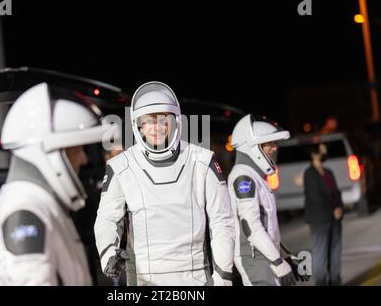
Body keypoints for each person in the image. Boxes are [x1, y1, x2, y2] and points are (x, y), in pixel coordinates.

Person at [94, 81, 235, 286]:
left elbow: (222, 221)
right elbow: (107, 219)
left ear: (175, 121)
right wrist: (108, 253)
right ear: (138, 124)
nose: (157, 127)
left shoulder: (202, 160)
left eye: (163, 119)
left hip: (194, 277)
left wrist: (224, 276)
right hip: (145, 279)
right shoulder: (121, 166)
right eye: (149, 120)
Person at [0, 83, 114, 285]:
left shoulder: (40, 203)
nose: (84, 159)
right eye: (77, 149)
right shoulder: (24, 209)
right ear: (51, 154)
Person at [229, 114, 309, 286]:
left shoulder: (255, 176)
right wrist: (278, 262)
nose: (274, 148)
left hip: (266, 256)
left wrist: (286, 256)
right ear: (252, 147)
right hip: (255, 258)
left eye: (275, 143)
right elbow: (251, 227)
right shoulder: (243, 177)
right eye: (269, 144)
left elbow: (268, 227)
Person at [304, 143, 343, 286]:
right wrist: (332, 210)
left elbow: (337, 193)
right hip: (319, 220)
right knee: (321, 255)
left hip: (335, 220)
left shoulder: (329, 172)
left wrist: (339, 207)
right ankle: (321, 283)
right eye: (322, 151)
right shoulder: (309, 173)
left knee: (335, 254)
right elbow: (316, 197)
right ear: (314, 154)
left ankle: (335, 282)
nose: (325, 153)